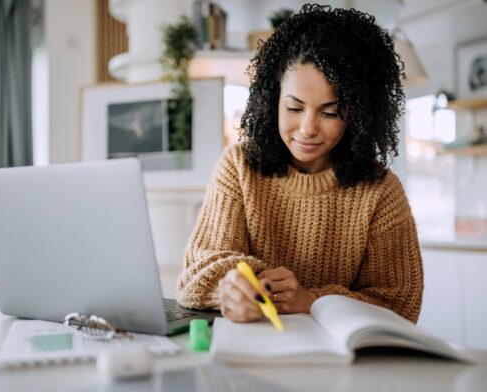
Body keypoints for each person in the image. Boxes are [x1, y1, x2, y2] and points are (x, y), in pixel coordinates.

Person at [177, 4, 423, 323]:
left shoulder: (381, 192)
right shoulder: (238, 166)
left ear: (360, 115)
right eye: (294, 108)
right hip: (246, 351)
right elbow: (194, 277)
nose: (307, 128)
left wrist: (311, 299)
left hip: (340, 365)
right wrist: (236, 287)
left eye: (330, 112)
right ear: (272, 99)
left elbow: (401, 304)